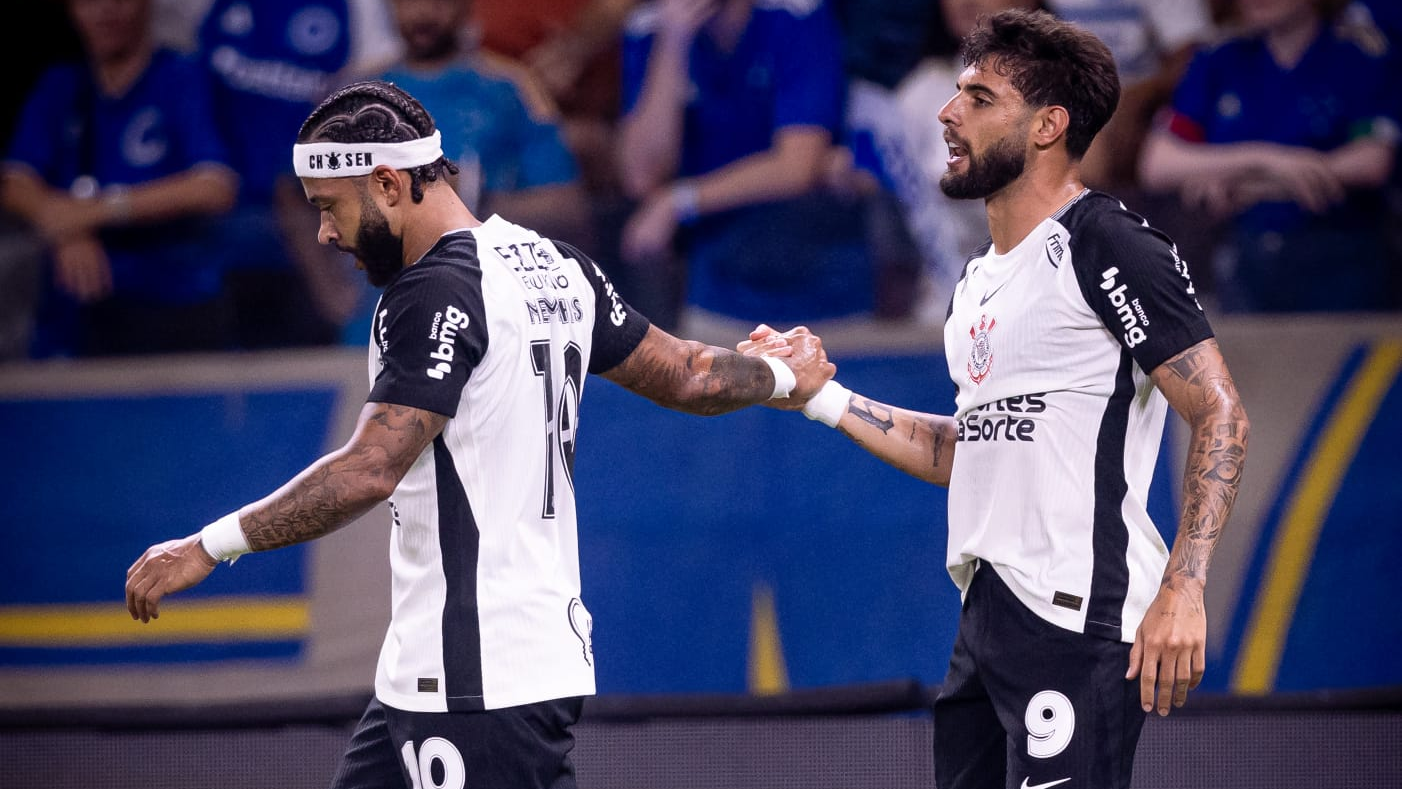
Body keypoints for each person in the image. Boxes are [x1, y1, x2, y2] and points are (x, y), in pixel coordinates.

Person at [124, 79, 833, 789]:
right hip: (447, 670)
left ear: (388, 184)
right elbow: (689, 374)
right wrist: (778, 376)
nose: (325, 234)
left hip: (476, 674)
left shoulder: (432, 290)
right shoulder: (555, 264)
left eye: (329, 207)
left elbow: (371, 468)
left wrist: (210, 545)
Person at [743, 11, 1249, 789]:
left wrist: (1184, 586)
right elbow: (966, 448)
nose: (948, 114)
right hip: (985, 616)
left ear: (1049, 125)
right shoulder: (976, 280)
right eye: (957, 93)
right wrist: (822, 396)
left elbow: (1219, 411)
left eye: (979, 99)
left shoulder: (1106, 243)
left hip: (1078, 613)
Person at [334, 0, 596, 345]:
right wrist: (335, 298)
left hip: (493, 321)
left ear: (467, 7)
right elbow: (296, 196)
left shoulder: (512, 87)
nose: (422, 15)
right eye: (407, 3)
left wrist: (470, 198)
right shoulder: (356, 94)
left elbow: (568, 208)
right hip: (377, 327)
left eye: (438, 3)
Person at [615, 0, 875, 330]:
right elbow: (641, 175)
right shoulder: (649, 28)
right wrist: (673, 44)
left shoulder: (795, 13)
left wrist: (679, 201)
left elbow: (796, 167)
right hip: (717, 286)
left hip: (824, 283)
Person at [1, 0, 239, 357]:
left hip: (172, 305)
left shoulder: (180, 77)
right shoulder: (61, 85)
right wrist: (65, 227)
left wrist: (95, 212)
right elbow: (15, 182)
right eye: (89, 2)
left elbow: (215, 186)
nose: (105, 11)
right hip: (75, 311)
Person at [1138, 0, 1400, 312]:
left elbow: (1372, 161)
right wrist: (1267, 160)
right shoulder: (1220, 56)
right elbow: (1157, 163)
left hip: (1341, 256)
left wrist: (1249, 186)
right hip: (1243, 256)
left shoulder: (1358, 54)